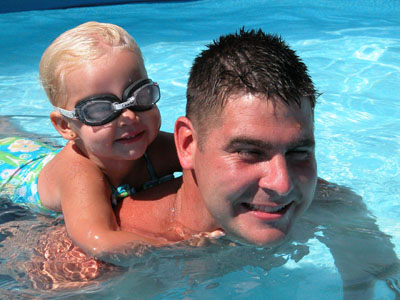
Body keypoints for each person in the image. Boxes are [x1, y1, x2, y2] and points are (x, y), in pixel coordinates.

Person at [17, 28, 398, 297]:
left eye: (299, 152)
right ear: (188, 144)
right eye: (249, 151)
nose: (282, 186)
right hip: (21, 176)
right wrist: (175, 253)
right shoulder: (85, 252)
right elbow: (96, 240)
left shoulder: (330, 204)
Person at [0, 22, 181, 256]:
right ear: (66, 126)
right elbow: (99, 242)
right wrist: (181, 244)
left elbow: (211, 154)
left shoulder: (156, 146)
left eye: (139, 95)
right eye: (99, 110)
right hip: (11, 169)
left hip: (33, 152)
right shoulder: (79, 174)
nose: (128, 116)